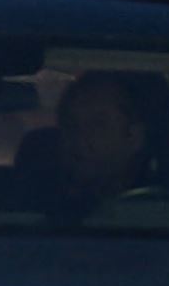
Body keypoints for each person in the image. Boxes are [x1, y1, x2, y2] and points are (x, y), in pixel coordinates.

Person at [50, 72, 152, 214]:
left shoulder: (164, 208)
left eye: (97, 125)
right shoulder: (35, 211)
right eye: (71, 124)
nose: (80, 137)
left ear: (134, 137)